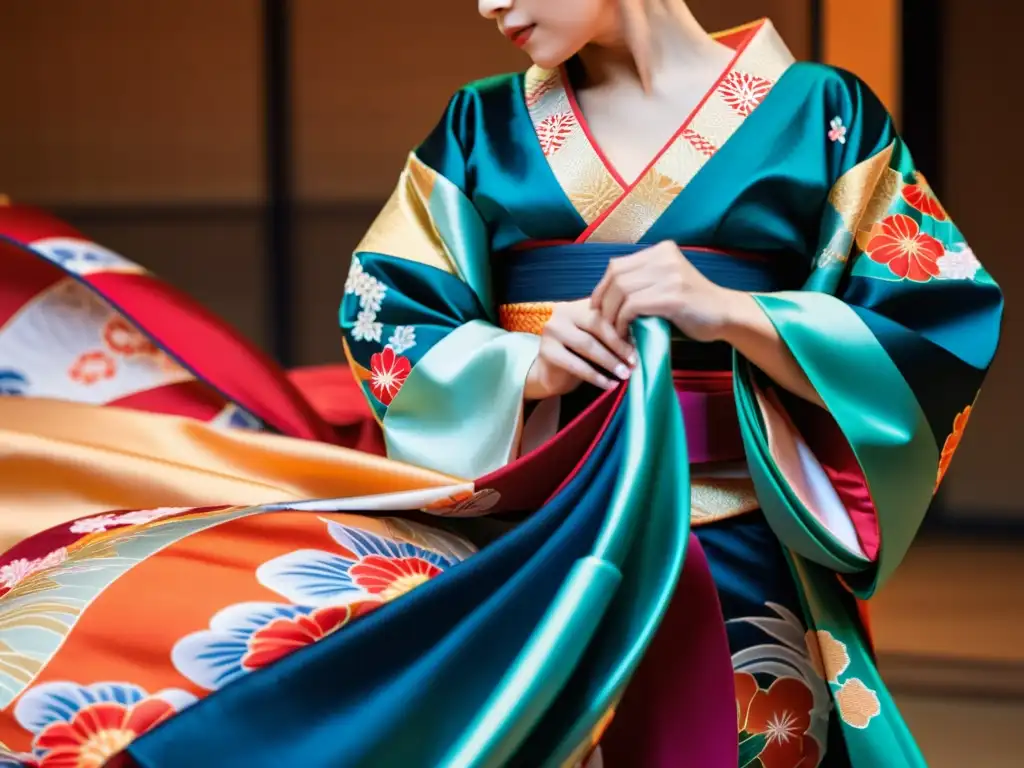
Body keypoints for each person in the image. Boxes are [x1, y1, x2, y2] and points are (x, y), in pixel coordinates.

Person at [0, 1, 1003, 766]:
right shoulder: (479, 128)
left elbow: (932, 316)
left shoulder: (821, 113)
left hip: (743, 539)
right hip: (546, 534)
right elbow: (385, 316)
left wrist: (737, 312)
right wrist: (521, 364)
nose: (485, 4)